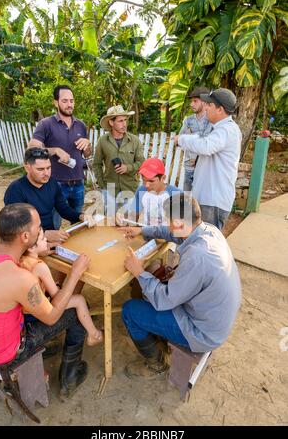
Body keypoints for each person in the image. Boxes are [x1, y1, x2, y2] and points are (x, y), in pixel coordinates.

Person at [118, 193, 241, 379]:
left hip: (201, 332)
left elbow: (163, 300)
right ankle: (159, 336)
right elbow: (172, 233)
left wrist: (138, 271)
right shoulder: (208, 230)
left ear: (179, 223)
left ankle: (156, 363)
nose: (168, 226)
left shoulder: (197, 257)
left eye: (169, 222)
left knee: (130, 310)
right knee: (150, 285)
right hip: (214, 319)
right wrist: (142, 231)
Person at [0, 203, 90, 398]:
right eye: (39, 228)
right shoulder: (19, 278)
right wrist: (75, 273)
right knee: (77, 309)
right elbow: (51, 316)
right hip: (8, 353)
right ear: (25, 237)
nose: (43, 230)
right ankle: (71, 376)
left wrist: (38, 251)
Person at [20, 228, 103, 347]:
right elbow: (56, 296)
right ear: (31, 247)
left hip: (25, 310)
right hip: (35, 315)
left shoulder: (22, 259)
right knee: (79, 300)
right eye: (43, 239)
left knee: (66, 288)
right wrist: (60, 286)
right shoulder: (40, 266)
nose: (46, 241)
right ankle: (93, 334)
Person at [174, 88, 242, 230]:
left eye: (209, 105)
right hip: (208, 199)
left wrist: (181, 139)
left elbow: (205, 146)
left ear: (220, 109)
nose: (206, 108)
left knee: (207, 246)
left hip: (213, 202)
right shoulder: (219, 129)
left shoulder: (227, 130)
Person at [28, 85, 92, 227]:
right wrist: (55, 150)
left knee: (77, 225)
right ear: (56, 102)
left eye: (72, 100)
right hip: (55, 183)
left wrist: (88, 144)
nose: (69, 104)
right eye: (65, 101)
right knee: (53, 225)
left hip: (78, 183)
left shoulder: (81, 125)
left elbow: (87, 154)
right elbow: (32, 149)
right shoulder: (46, 124)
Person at [4, 147, 86, 246]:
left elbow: (63, 209)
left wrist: (80, 216)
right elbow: (16, 227)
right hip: (28, 244)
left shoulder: (52, 183)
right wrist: (44, 234)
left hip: (51, 238)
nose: (46, 173)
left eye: (49, 168)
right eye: (40, 169)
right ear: (27, 168)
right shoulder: (15, 190)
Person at [93, 105, 145, 210]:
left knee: (129, 221)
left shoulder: (135, 141)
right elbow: (96, 164)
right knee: (111, 222)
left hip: (130, 188)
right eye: (120, 121)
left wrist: (128, 168)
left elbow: (142, 163)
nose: (124, 124)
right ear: (111, 123)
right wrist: (103, 186)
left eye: (125, 120)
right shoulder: (102, 141)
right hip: (110, 190)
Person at [117, 157, 181, 226]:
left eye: (151, 181)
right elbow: (133, 217)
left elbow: (180, 228)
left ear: (163, 178)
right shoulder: (142, 190)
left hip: (165, 235)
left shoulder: (176, 194)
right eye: (144, 180)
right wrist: (122, 218)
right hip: (144, 233)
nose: (147, 185)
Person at [179, 86, 213, 191]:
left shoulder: (211, 119)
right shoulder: (188, 120)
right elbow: (179, 140)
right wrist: (197, 136)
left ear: (204, 102)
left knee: (202, 200)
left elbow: (207, 141)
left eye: (195, 101)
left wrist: (190, 135)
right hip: (189, 166)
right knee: (187, 199)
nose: (191, 104)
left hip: (204, 168)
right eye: (191, 101)